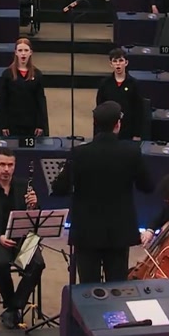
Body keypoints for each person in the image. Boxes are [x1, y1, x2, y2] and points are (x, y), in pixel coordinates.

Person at [52, 101, 154, 283]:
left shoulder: (80, 153)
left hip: (86, 232)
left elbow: (59, 188)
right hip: (118, 232)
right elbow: (147, 186)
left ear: (95, 124)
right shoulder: (131, 153)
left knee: (88, 289)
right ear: (118, 124)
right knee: (116, 286)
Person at [0, 149, 45, 329]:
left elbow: (35, 219)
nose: (6, 169)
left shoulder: (23, 187)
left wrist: (35, 205)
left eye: (10, 165)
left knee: (37, 263)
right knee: (2, 264)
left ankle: (14, 307)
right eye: (2, 164)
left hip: (22, 239)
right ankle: (12, 306)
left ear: (14, 166)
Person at [0, 39, 47, 137]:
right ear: (15, 52)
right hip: (12, 124)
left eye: (26, 50)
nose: (23, 54)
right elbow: (2, 101)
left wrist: (40, 124)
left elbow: (41, 101)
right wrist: (3, 125)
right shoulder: (7, 74)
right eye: (20, 51)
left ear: (31, 52)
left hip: (31, 124)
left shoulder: (38, 74)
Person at [95, 48, 145, 141]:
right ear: (111, 64)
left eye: (121, 61)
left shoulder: (134, 84)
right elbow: (99, 108)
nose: (118, 64)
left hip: (128, 130)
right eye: (115, 61)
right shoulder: (105, 84)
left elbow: (139, 110)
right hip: (108, 130)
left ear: (126, 63)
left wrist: (137, 134)